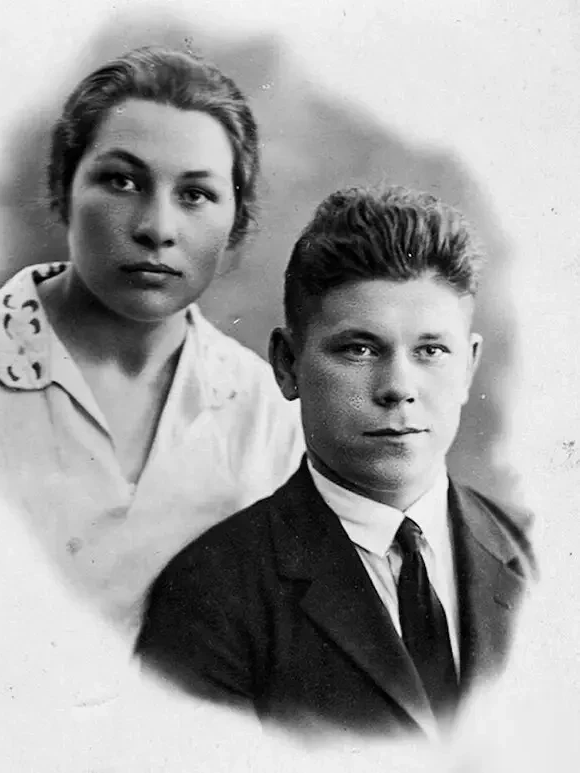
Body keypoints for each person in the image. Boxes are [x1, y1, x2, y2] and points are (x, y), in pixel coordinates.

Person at [137, 186, 536, 738]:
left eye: (430, 351)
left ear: (468, 367)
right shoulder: (208, 595)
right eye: (359, 349)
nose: (398, 388)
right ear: (287, 365)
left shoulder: (538, 554)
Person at [0, 46, 303, 631]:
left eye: (196, 194)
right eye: (121, 181)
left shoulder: (265, 413)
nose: (156, 228)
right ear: (63, 188)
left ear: (236, 221)